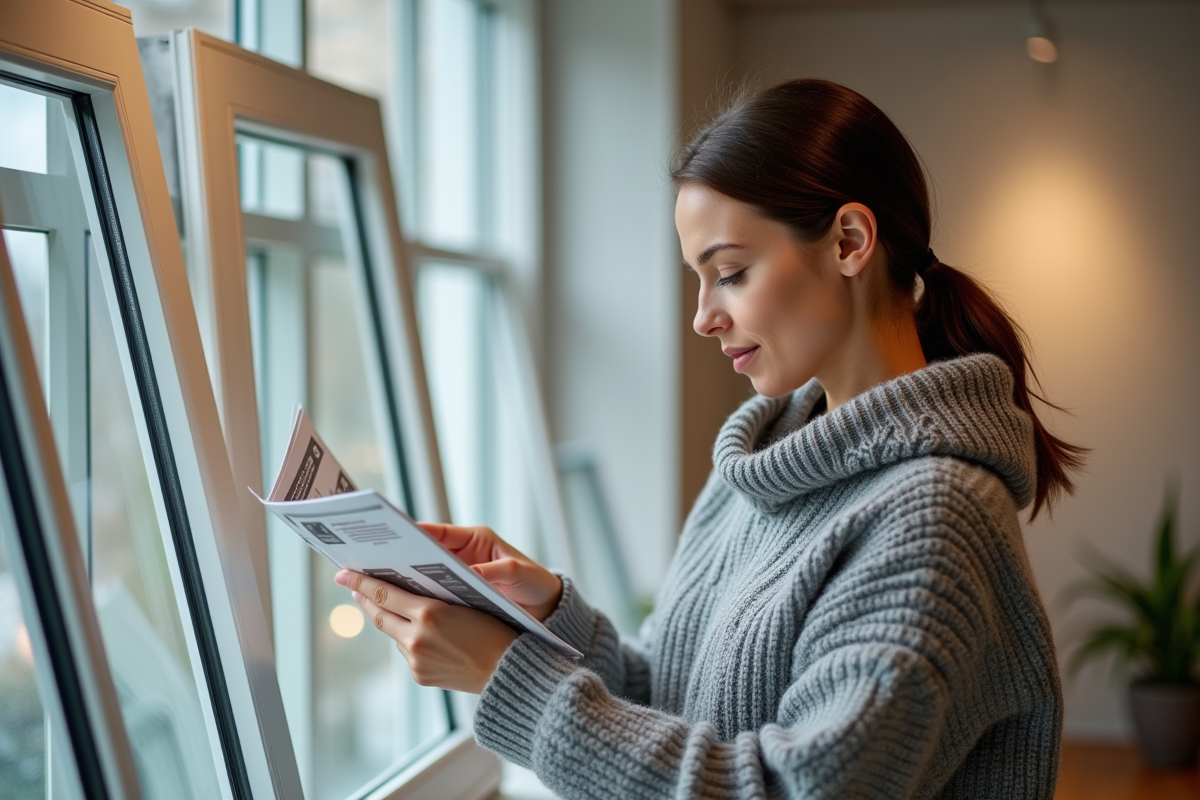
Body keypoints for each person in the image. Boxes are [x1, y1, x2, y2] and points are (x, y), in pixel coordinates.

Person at [334, 78, 1085, 799]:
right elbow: (676, 701)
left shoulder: (938, 517)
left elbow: (788, 789)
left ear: (851, 240)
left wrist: (514, 683)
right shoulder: (756, 471)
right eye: (699, 278)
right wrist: (547, 616)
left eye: (730, 272)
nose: (703, 316)